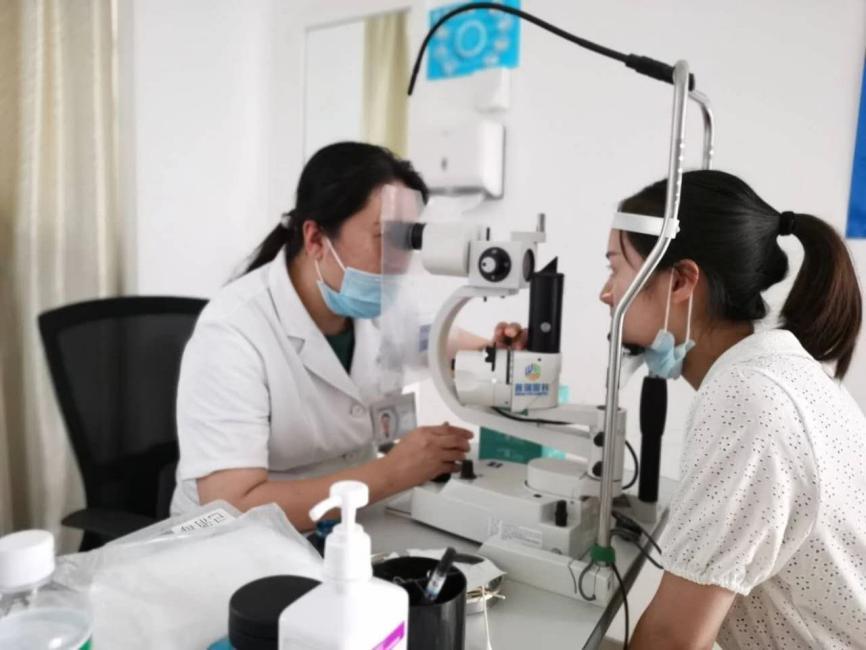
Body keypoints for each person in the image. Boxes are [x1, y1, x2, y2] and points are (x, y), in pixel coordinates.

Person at [170, 142, 510, 529]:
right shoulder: (232, 333)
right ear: (316, 239)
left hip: (349, 521)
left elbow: (441, 342)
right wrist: (395, 471)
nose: (399, 262)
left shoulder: (381, 308)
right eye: (386, 238)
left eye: (408, 241)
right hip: (240, 542)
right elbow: (232, 504)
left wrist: (499, 350)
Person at [596, 170, 866, 648]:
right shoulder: (781, 366)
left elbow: (672, 639)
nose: (605, 293)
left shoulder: (747, 397)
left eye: (617, 268)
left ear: (682, 281)